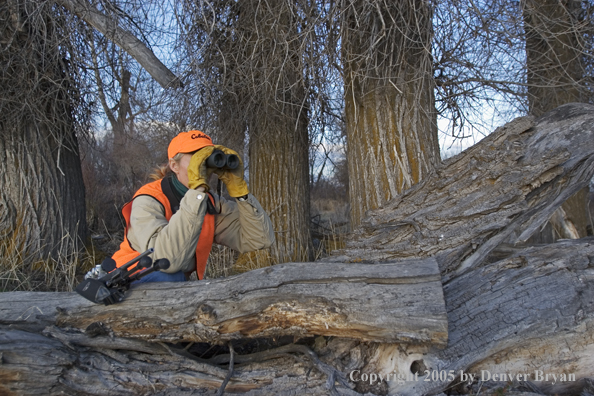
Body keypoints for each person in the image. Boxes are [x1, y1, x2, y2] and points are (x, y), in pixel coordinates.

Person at [110, 130, 274, 282]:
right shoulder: (149, 199)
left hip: (174, 283)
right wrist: (197, 192)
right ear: (174, 166)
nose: (203, 167)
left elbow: (259, 239)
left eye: (206, 159)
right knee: (170, 277)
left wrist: (241, 192)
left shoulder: (209, 202)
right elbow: (166, 261)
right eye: (196, 159)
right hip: (128, 281)